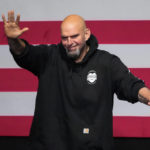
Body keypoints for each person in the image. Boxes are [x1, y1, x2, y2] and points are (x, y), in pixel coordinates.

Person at [2, 10, 150, 150]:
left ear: (86, 34)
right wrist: (13, 40)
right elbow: (24, 53)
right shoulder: (48, 57)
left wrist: (147, 97)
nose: (69, 42)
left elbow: (131, 85)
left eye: (74, 36)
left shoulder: (106, 62)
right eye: (64, 38)